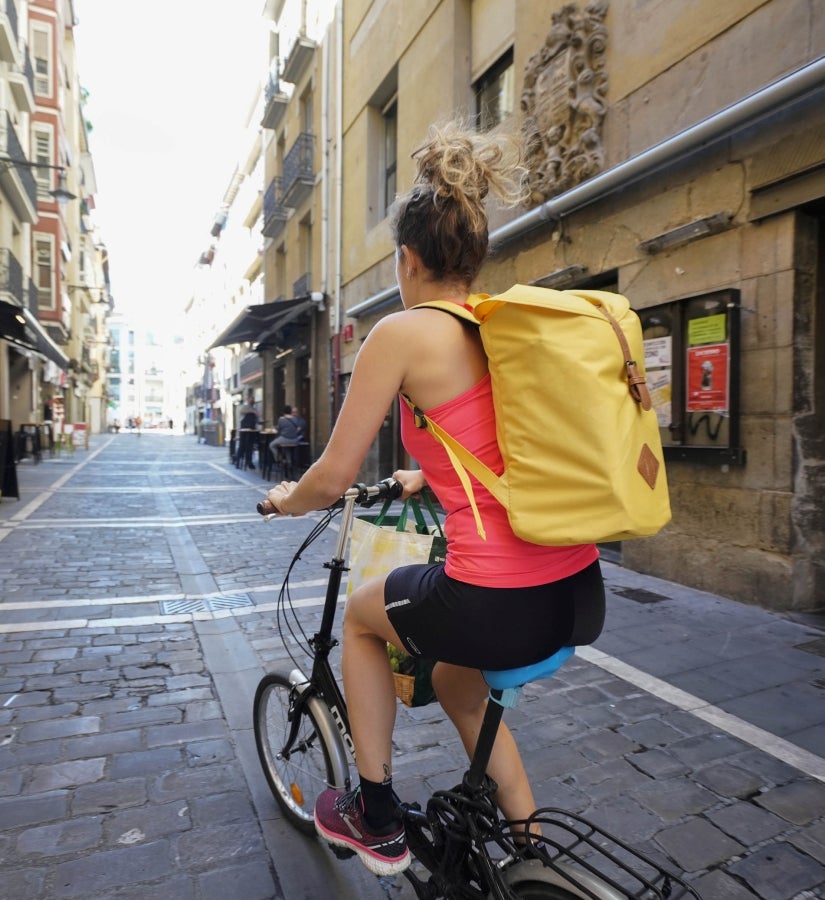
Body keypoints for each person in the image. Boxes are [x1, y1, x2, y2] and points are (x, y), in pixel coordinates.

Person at [266, 121, 606, 877]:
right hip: (575, 590)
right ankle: (530, 857)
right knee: (454, 677)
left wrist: (289, 500)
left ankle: (375, 812)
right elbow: (497, 444)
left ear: (407, 258)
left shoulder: (401, 331)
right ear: (474, 258)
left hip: (496, 599)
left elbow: (330, 475)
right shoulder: (501, 329)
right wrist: (430, 474)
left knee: (360, 619)